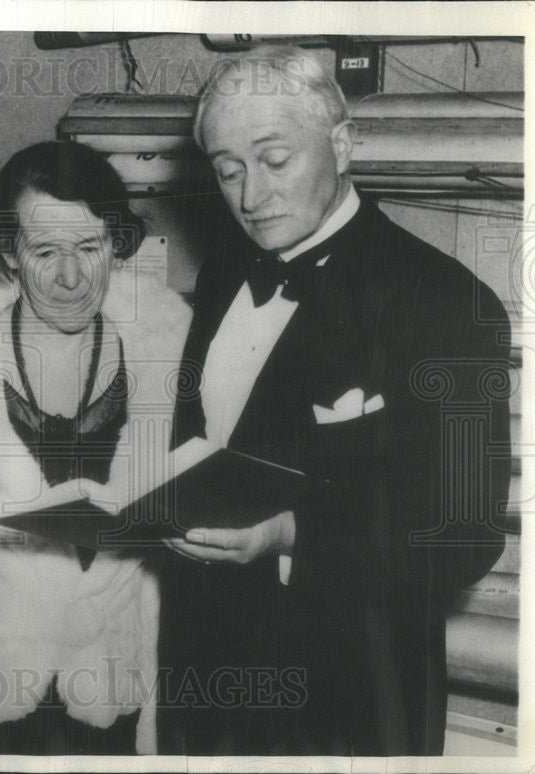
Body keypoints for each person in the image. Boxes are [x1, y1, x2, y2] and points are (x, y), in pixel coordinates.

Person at [159, 46, 512, 756]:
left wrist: (290, 533)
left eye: (274, 160)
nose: (250, 197)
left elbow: (464, 532)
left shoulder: (446, 301)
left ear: (343, 142)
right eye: (228, 171)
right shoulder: (228, 268)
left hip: (350, 702)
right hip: (207, 685)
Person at [0, 141, 191, 754]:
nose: (71, 277)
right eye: (45, 250)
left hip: (107, 700)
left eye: (90, 247)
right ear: (9, 254)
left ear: (118, 244)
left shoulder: (169, 364)